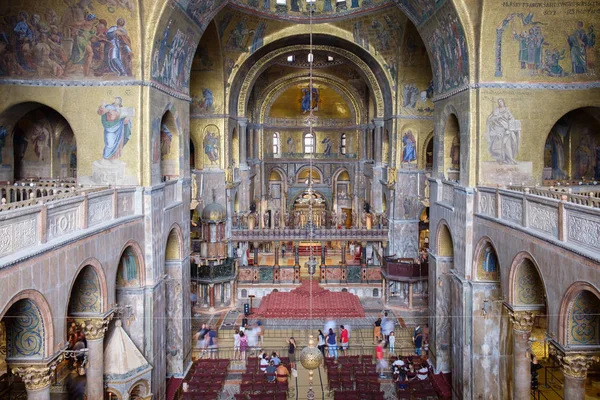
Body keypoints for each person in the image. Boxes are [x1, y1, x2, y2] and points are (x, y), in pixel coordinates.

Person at [485, 99, 520, 165]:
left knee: (507, 145)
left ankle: (510, 159)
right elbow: (489, 119)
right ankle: (501, 159)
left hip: (506, 129)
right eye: (499, 102)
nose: (500, 103)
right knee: (499, 145)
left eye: (501, 101)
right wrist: (497, 117)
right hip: (498, 130)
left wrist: (512, 124)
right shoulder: (496, 110)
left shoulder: (507, 110)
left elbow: (512, 119)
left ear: (504, 102)